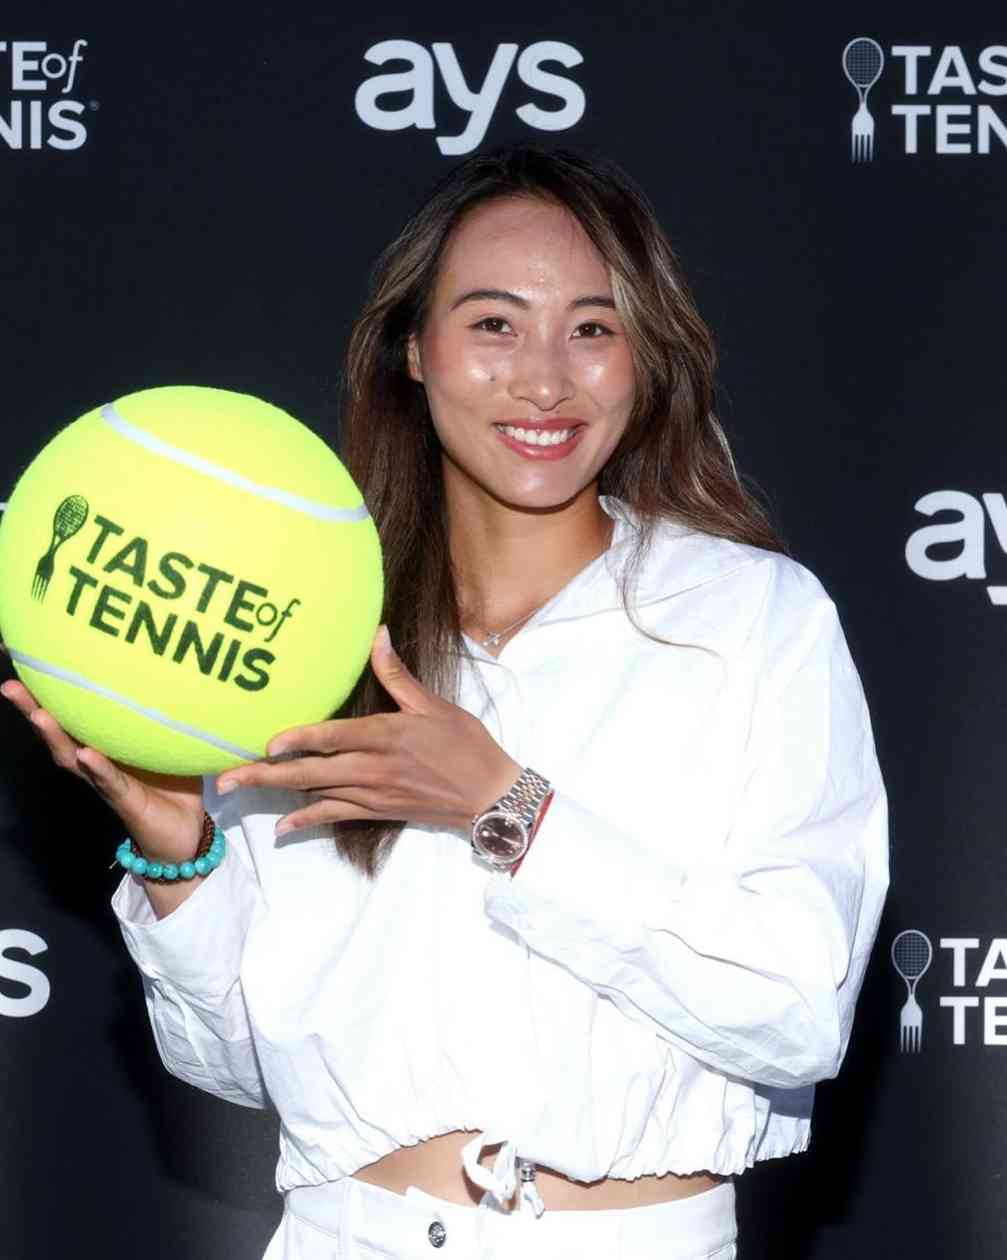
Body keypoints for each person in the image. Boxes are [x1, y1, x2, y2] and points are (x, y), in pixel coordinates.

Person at [1, 143, 890, 1260]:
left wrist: (505, 808)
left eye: (592, 328)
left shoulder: (752, 617)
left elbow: (797, 1011)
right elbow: (234, 1063)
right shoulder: (307, 628)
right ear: (412, 350)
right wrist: (180, 859)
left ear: (643, 355)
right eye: (493, 324)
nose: (544, 381)